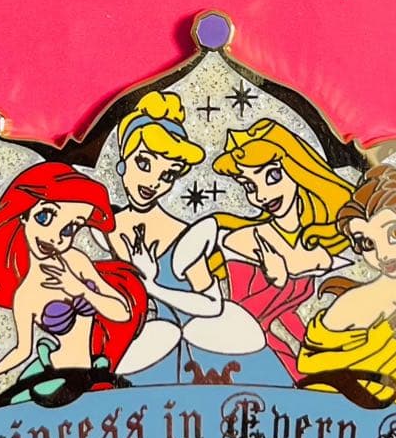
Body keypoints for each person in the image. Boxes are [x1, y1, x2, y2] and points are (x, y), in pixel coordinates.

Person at [99, 90, 274, 385]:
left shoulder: (183, 237)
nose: (153, 182)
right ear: (122, 161)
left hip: (202, 347)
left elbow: (213, 304)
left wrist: (152, 286)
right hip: (146, 346)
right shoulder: (104, 229)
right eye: (144, 163)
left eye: (167, 175)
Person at [0, 163, 145, 403]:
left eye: (70, 228)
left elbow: (123, 312)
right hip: (53, 376)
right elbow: (22, 351)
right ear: (24, 215)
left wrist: (81, 289)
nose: (56, 237)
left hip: (91, 370)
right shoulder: (26, 294)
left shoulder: (76, 261)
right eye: (45, 217)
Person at [213, 119, 354, 379]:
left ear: (298, 168)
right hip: (246, 351)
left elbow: (287, 313)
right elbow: (239, 315)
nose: (262, 195)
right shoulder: (242, 240)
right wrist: (277, 281)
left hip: (282, 348)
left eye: (273, 176)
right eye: (249, 185)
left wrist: (318, 347)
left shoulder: (314, 241)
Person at [297, 166, 396, 407]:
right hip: (337, 410)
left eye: (394, 234)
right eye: (367, 244)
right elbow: (307, 364)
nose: (383, 254)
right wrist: (375, 341)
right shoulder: (353, 303)